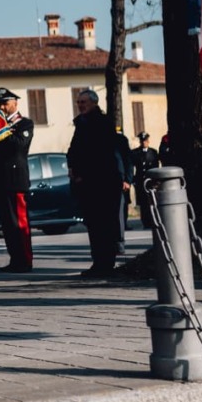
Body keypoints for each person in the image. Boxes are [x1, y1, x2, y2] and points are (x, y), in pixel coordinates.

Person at [67, 90, 129, 278]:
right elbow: (74, 150)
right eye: (78, 102)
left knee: (104, 224)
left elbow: (98, 153)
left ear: (94, 102)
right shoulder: (81, 123)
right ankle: (98, 262)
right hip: (87, 184)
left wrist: (83, 173)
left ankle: (106, 264)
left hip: (101, 182)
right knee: (94, 225)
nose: (80, 105)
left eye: (84, 101)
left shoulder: (101, 123)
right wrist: (72, 168)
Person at [0, 88, 35, 273]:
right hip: (0, 179)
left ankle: (25, 260)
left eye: (6, 103)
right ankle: (15, 259)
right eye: (0, 103)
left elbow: (19, 146)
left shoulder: (25, 124)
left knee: (19, 223)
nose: (2, 107)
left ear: (15, 103)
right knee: (7, 224)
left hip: (16, 179)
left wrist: (1, 131)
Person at [131, 132, 161, 229]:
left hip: (150, 181)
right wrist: (133, 180)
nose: (144, 143)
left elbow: (156, 166)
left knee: (152, 201)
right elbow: (132, 167)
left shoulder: (153, 152)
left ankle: (153, 220)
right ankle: (145, 222)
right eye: (142, 141)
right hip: (140, 181)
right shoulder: (135, 153)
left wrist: (156, 180)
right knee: (143, 203)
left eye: (146, 141)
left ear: (148, 141)